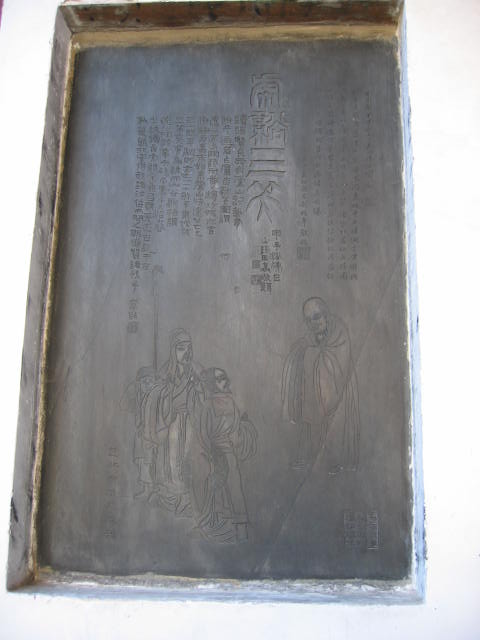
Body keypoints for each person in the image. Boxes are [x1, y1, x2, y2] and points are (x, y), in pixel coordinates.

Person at [281, 297, 360, 471]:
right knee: (310, 420)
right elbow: (302, 348)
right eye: (308, 320)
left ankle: (334, 461)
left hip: (338, 389)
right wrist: (302, 353)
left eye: (316, 317)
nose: (313, 323)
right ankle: (310, 457)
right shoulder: (310, 336)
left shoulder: (339, 332)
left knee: (334, 425)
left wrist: (311, 355)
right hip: (314, 393)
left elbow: (338, 360)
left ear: (326, 314)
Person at [190, 367, 257, 543]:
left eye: (224, 378)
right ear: (212, 383)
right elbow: (203, 434)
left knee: (233, 488)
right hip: (216, 454)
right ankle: (220, 525)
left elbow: (233, 429)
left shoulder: (230, 402)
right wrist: (208, 456)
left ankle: (239, 529)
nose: (225, 381)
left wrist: (242, 427)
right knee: (220, 488)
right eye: (220, 379)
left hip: (228, 453)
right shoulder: (208, 406)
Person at [141, 328, 204, 515]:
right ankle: (171, 495)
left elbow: (204, 397)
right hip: (170, 422)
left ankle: (187, 498)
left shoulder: (197, 371)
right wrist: (167, 402)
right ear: (173, 350)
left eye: (189, 348)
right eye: (181, 348)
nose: (186, 353)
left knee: (186, 458)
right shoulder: (165, 373)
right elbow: (158, 396)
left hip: (191, 422)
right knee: (169, 459)